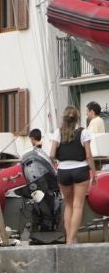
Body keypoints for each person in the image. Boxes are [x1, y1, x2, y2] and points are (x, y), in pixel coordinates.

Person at [47, 104, 98, 245]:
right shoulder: (84, 132)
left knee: (68, 205)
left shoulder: (58, 132)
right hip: (81, 171)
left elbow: (51, 154)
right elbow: (88, 155)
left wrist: (57, 165)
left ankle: (68, 239)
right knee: (78, 206)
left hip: (63, 171)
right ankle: (71, 240)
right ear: (77, 118)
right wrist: (94, 174)